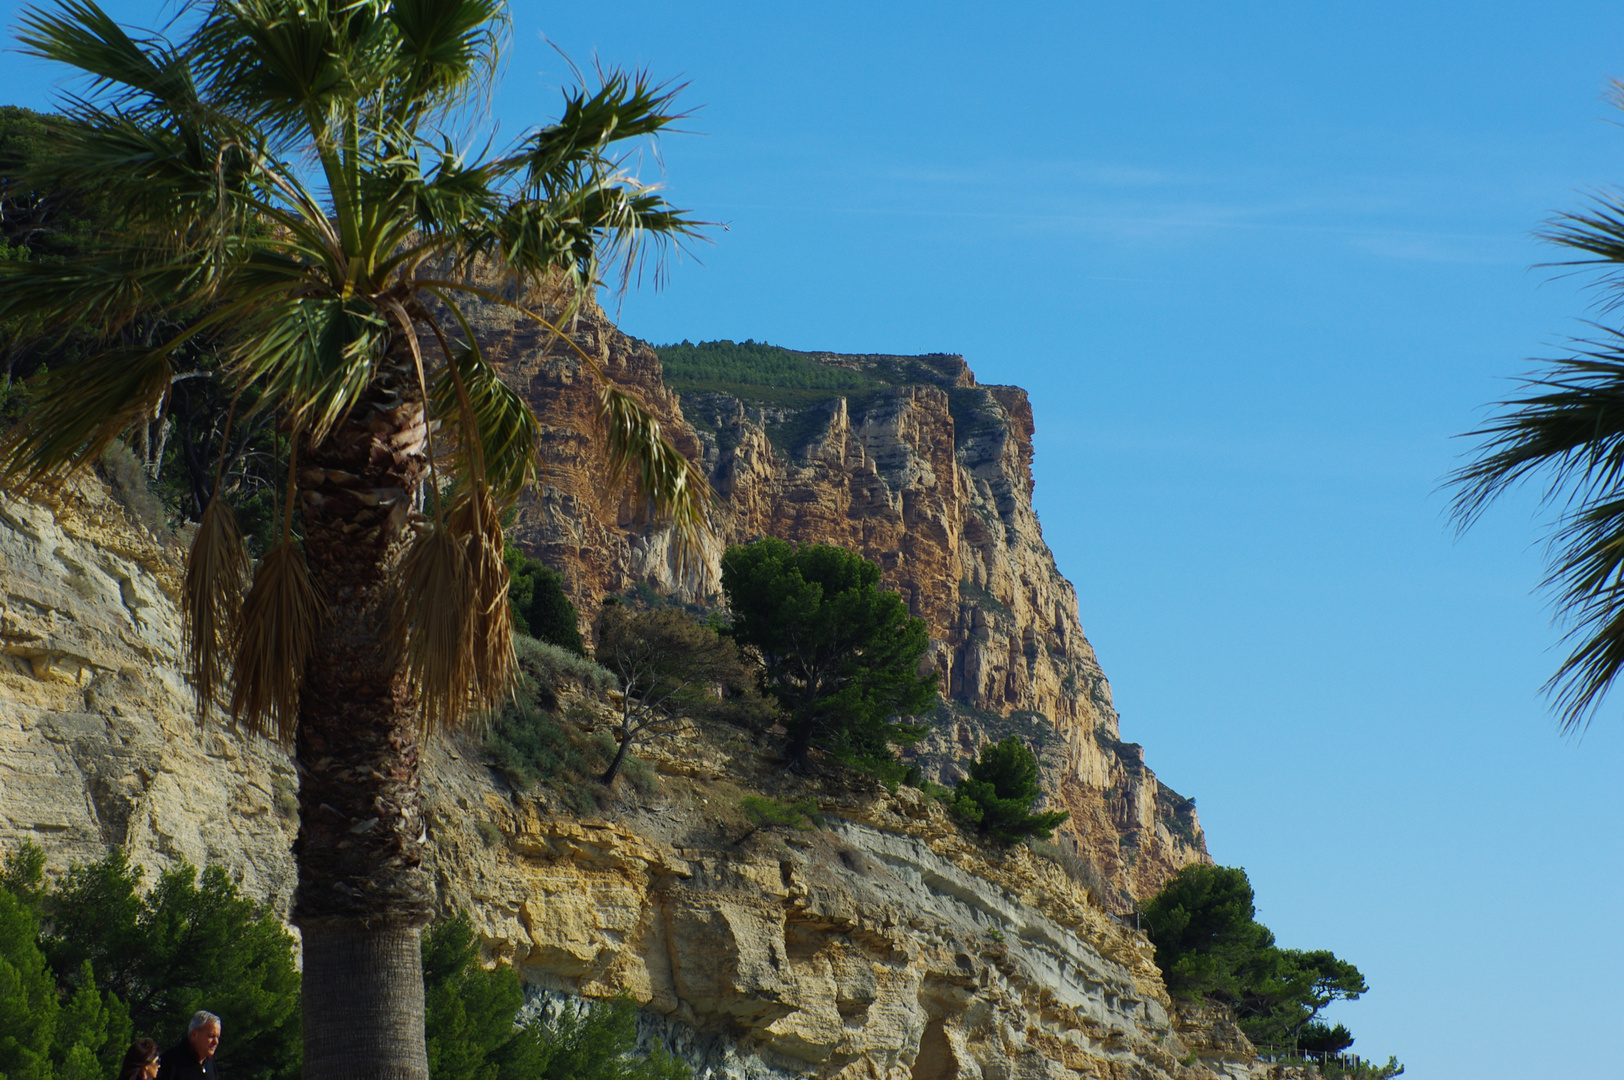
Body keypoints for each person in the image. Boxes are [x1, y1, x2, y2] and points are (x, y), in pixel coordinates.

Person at [155, 1012, 220, 1080]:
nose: (216, 1042)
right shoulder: (169, 1062)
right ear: (194, 1034)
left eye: (218, 1037)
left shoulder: (210, 1063)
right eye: (211, 1036)